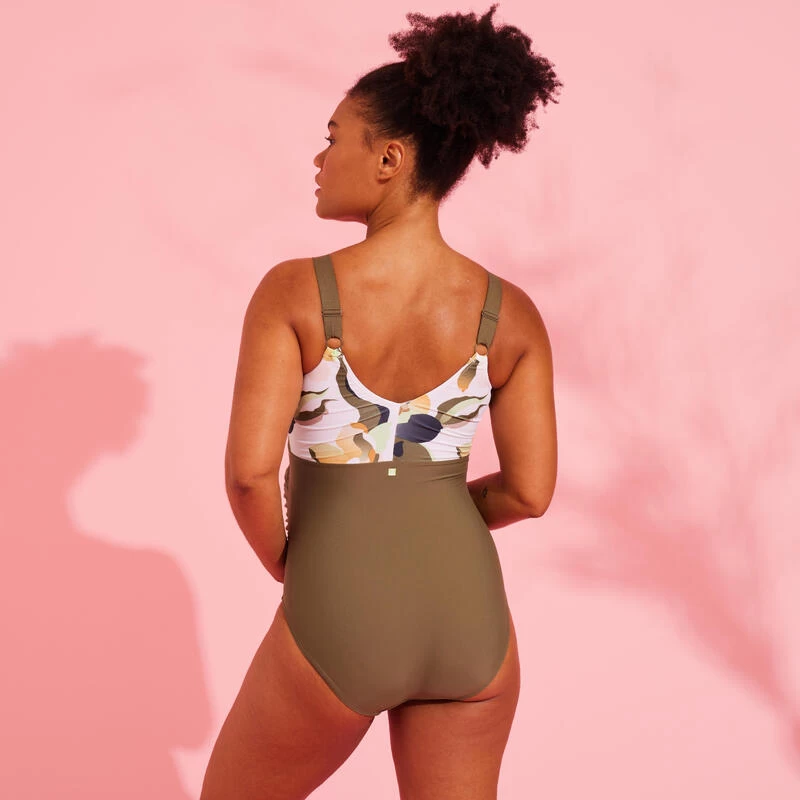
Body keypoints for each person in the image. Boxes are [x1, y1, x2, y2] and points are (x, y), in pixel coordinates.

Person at [201, 5, 561, 799]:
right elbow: (530, 492)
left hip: (342, 604)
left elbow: (250, 477)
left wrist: (299, 565)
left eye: (335, 137)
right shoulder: (511, 315)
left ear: (390, 157)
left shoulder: (297, 292)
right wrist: (432, 515)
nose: (320, 156)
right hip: (470, 618)